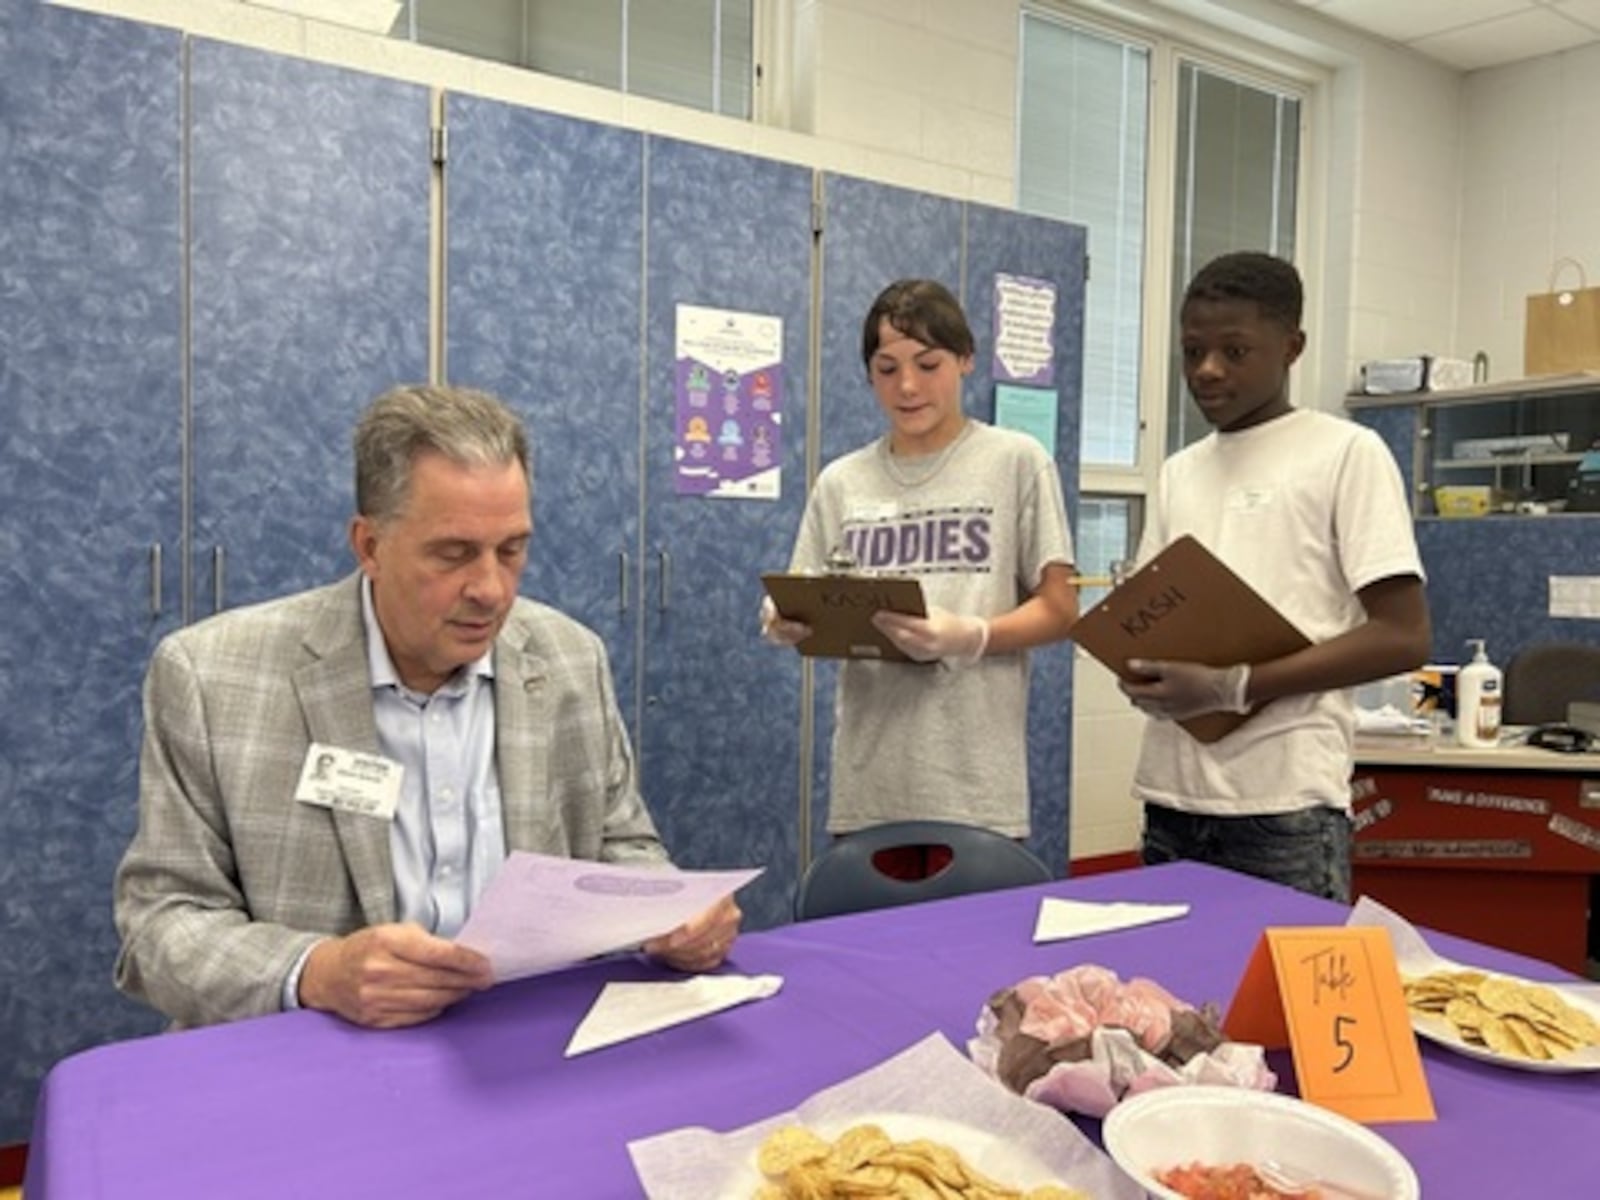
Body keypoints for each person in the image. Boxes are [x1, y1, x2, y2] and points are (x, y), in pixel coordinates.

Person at [114, 384, 741, 1030]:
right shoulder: (213, 677)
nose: (491, 590)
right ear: (369, 546)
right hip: (315, 1057)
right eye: (454, 554)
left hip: (525, 1044)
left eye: (512, 549)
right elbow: (160, 925)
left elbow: (622, 845)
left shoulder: (568, 660)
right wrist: (317, 971)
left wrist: (671, 911)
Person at [1119, 251, 1431, 901]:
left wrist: (1235, 685)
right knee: (1175, 1000)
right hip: (1171, 797)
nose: (1207, 370)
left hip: (1284, 805)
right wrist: (1141, 672)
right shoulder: (1180, 470)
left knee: (1290, 1001)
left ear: (1292, 348)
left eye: (1235, 351)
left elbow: (1403, 636)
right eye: (1192, 351)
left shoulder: (1346, 452)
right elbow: (1155, 613)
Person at [763, 279, 1078, 860]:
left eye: (927, 364)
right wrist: (786, 619)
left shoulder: (1017, 462)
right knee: (874, 947)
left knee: (973, 949)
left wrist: (975, 635)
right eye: (886, 369)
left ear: (964, 360)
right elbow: (803, 591)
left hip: (976, 790)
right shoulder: (842, 481)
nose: (907, 387)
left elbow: (1061, 608)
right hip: (870, 786)